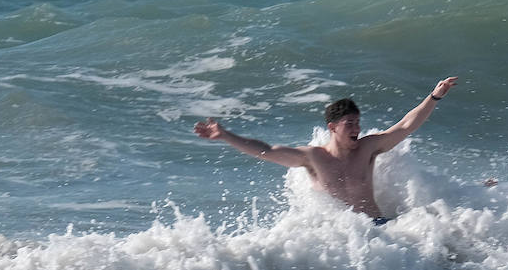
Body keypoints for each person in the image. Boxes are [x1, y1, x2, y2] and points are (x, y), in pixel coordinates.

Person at [194, 77, 459, 222]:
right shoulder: (313, 157)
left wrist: (434, 97)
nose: (357, 128)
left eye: (358, 123)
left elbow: (405, 126)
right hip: (340, 238)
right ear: (332, 127)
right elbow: (266, 151)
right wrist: (225, 135)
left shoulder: (367, 148)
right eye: (349, 124)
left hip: (379, 228)